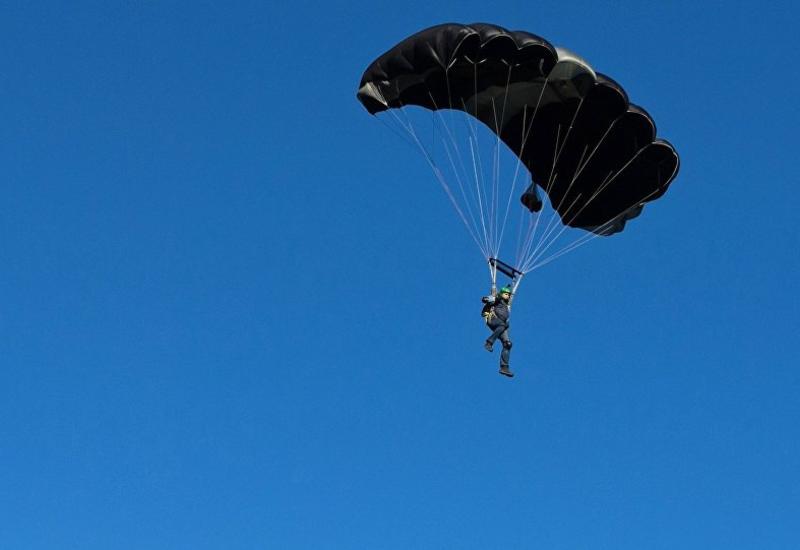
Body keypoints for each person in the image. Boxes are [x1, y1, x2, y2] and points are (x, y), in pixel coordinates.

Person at [481, 286, 514, 377]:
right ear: (502, 294)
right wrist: (487, 299)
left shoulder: (506, 305)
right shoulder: (498, 300)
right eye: (506, 294)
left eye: (508, 295)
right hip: (493, 319)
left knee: (508, 344)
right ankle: (489, 342)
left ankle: (504, 367)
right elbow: (488, 299)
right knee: (503, 325)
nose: (507, 296)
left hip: (501, 325)